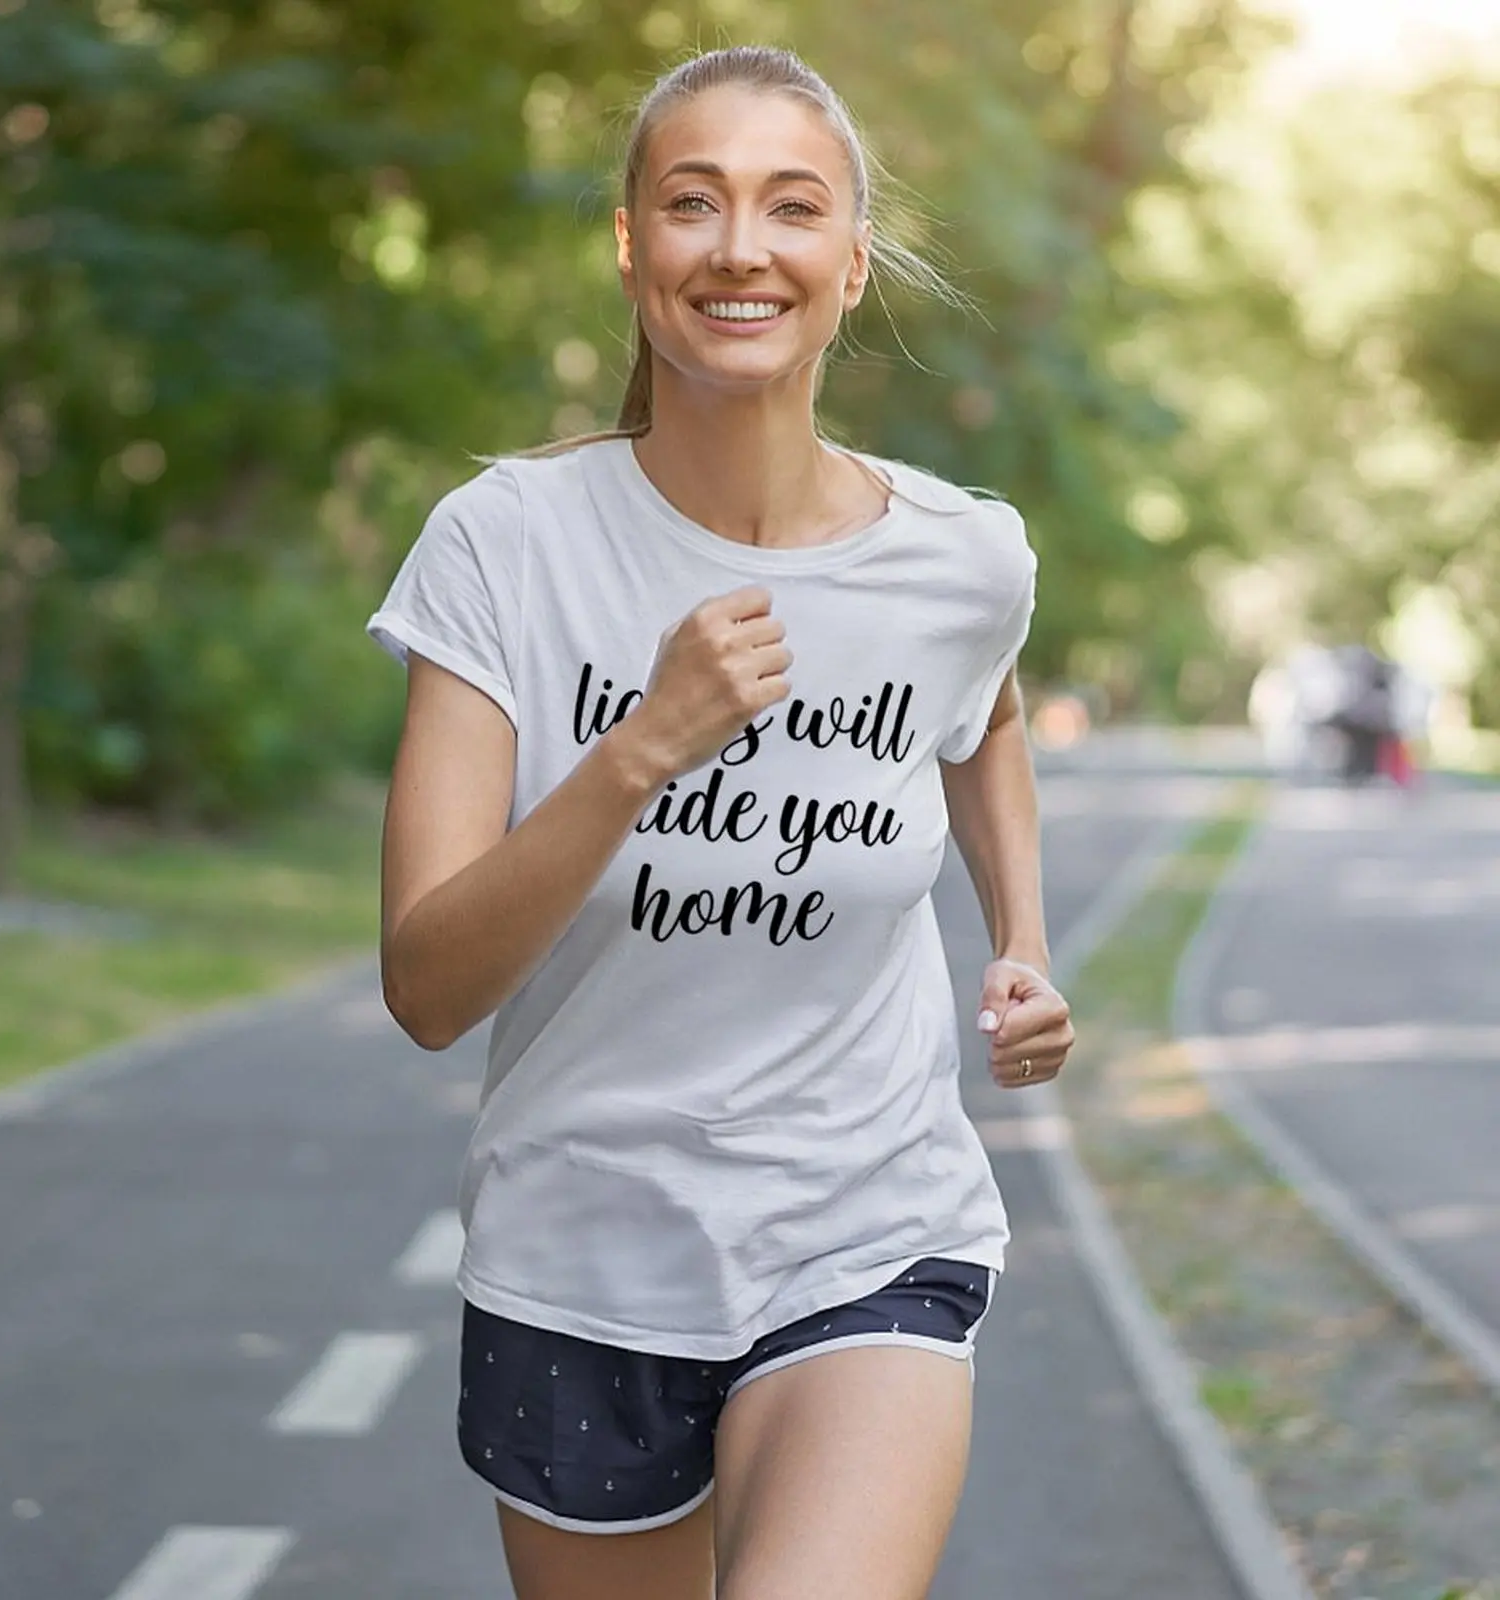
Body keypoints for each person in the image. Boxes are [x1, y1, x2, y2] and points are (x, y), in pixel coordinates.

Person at [366, 44, 1075, 1600]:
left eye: (790, 207)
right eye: (694, 204)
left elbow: (990, 711)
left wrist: (1021, 936)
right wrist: (642, 750)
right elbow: (426, 987)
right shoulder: (505, 547)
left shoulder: (962, 559)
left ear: (849, 260)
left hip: (868, 1228)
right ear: (633, 247)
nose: (741, 246)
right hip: (580, 1262)